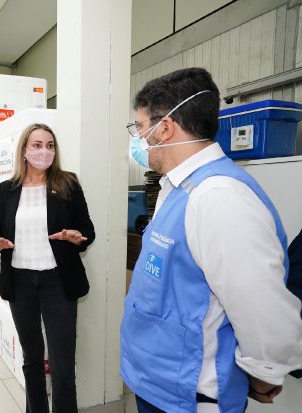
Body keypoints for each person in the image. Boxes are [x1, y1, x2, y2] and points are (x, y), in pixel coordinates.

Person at [121, 67, 302, 413]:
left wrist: (263, 375)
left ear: (165, 128)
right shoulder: (177, 187)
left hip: (193, 395)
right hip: (160, 383)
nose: (139, 139)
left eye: (140, 127)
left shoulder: (219, 196)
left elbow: (263, 309)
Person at [0, 123, 95, 413]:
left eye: (50, 145)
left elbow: (87, 230)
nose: (44, 151)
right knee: (32, 360)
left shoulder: (68, 184)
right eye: (37, 145)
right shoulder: (7, 190)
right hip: (19, 282)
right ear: (24, 150)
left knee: (62, 368)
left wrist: (76, 237)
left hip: (58, 283)